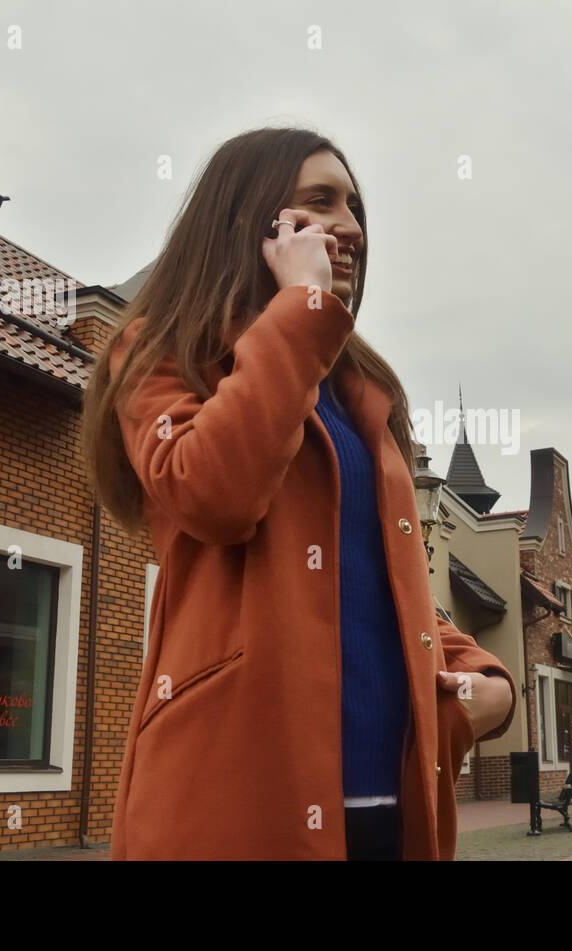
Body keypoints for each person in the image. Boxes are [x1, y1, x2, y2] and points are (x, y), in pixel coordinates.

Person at [82, 128, 517, 859]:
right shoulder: (163, 352)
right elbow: (215, 492)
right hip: (235, 809)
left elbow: (377, 582)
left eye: (356, 206)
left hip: (388, 809)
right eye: (320, 201)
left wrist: (483, 677)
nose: (350, 224)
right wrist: (301, 309)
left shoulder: (356, 391)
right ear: (253, 221)